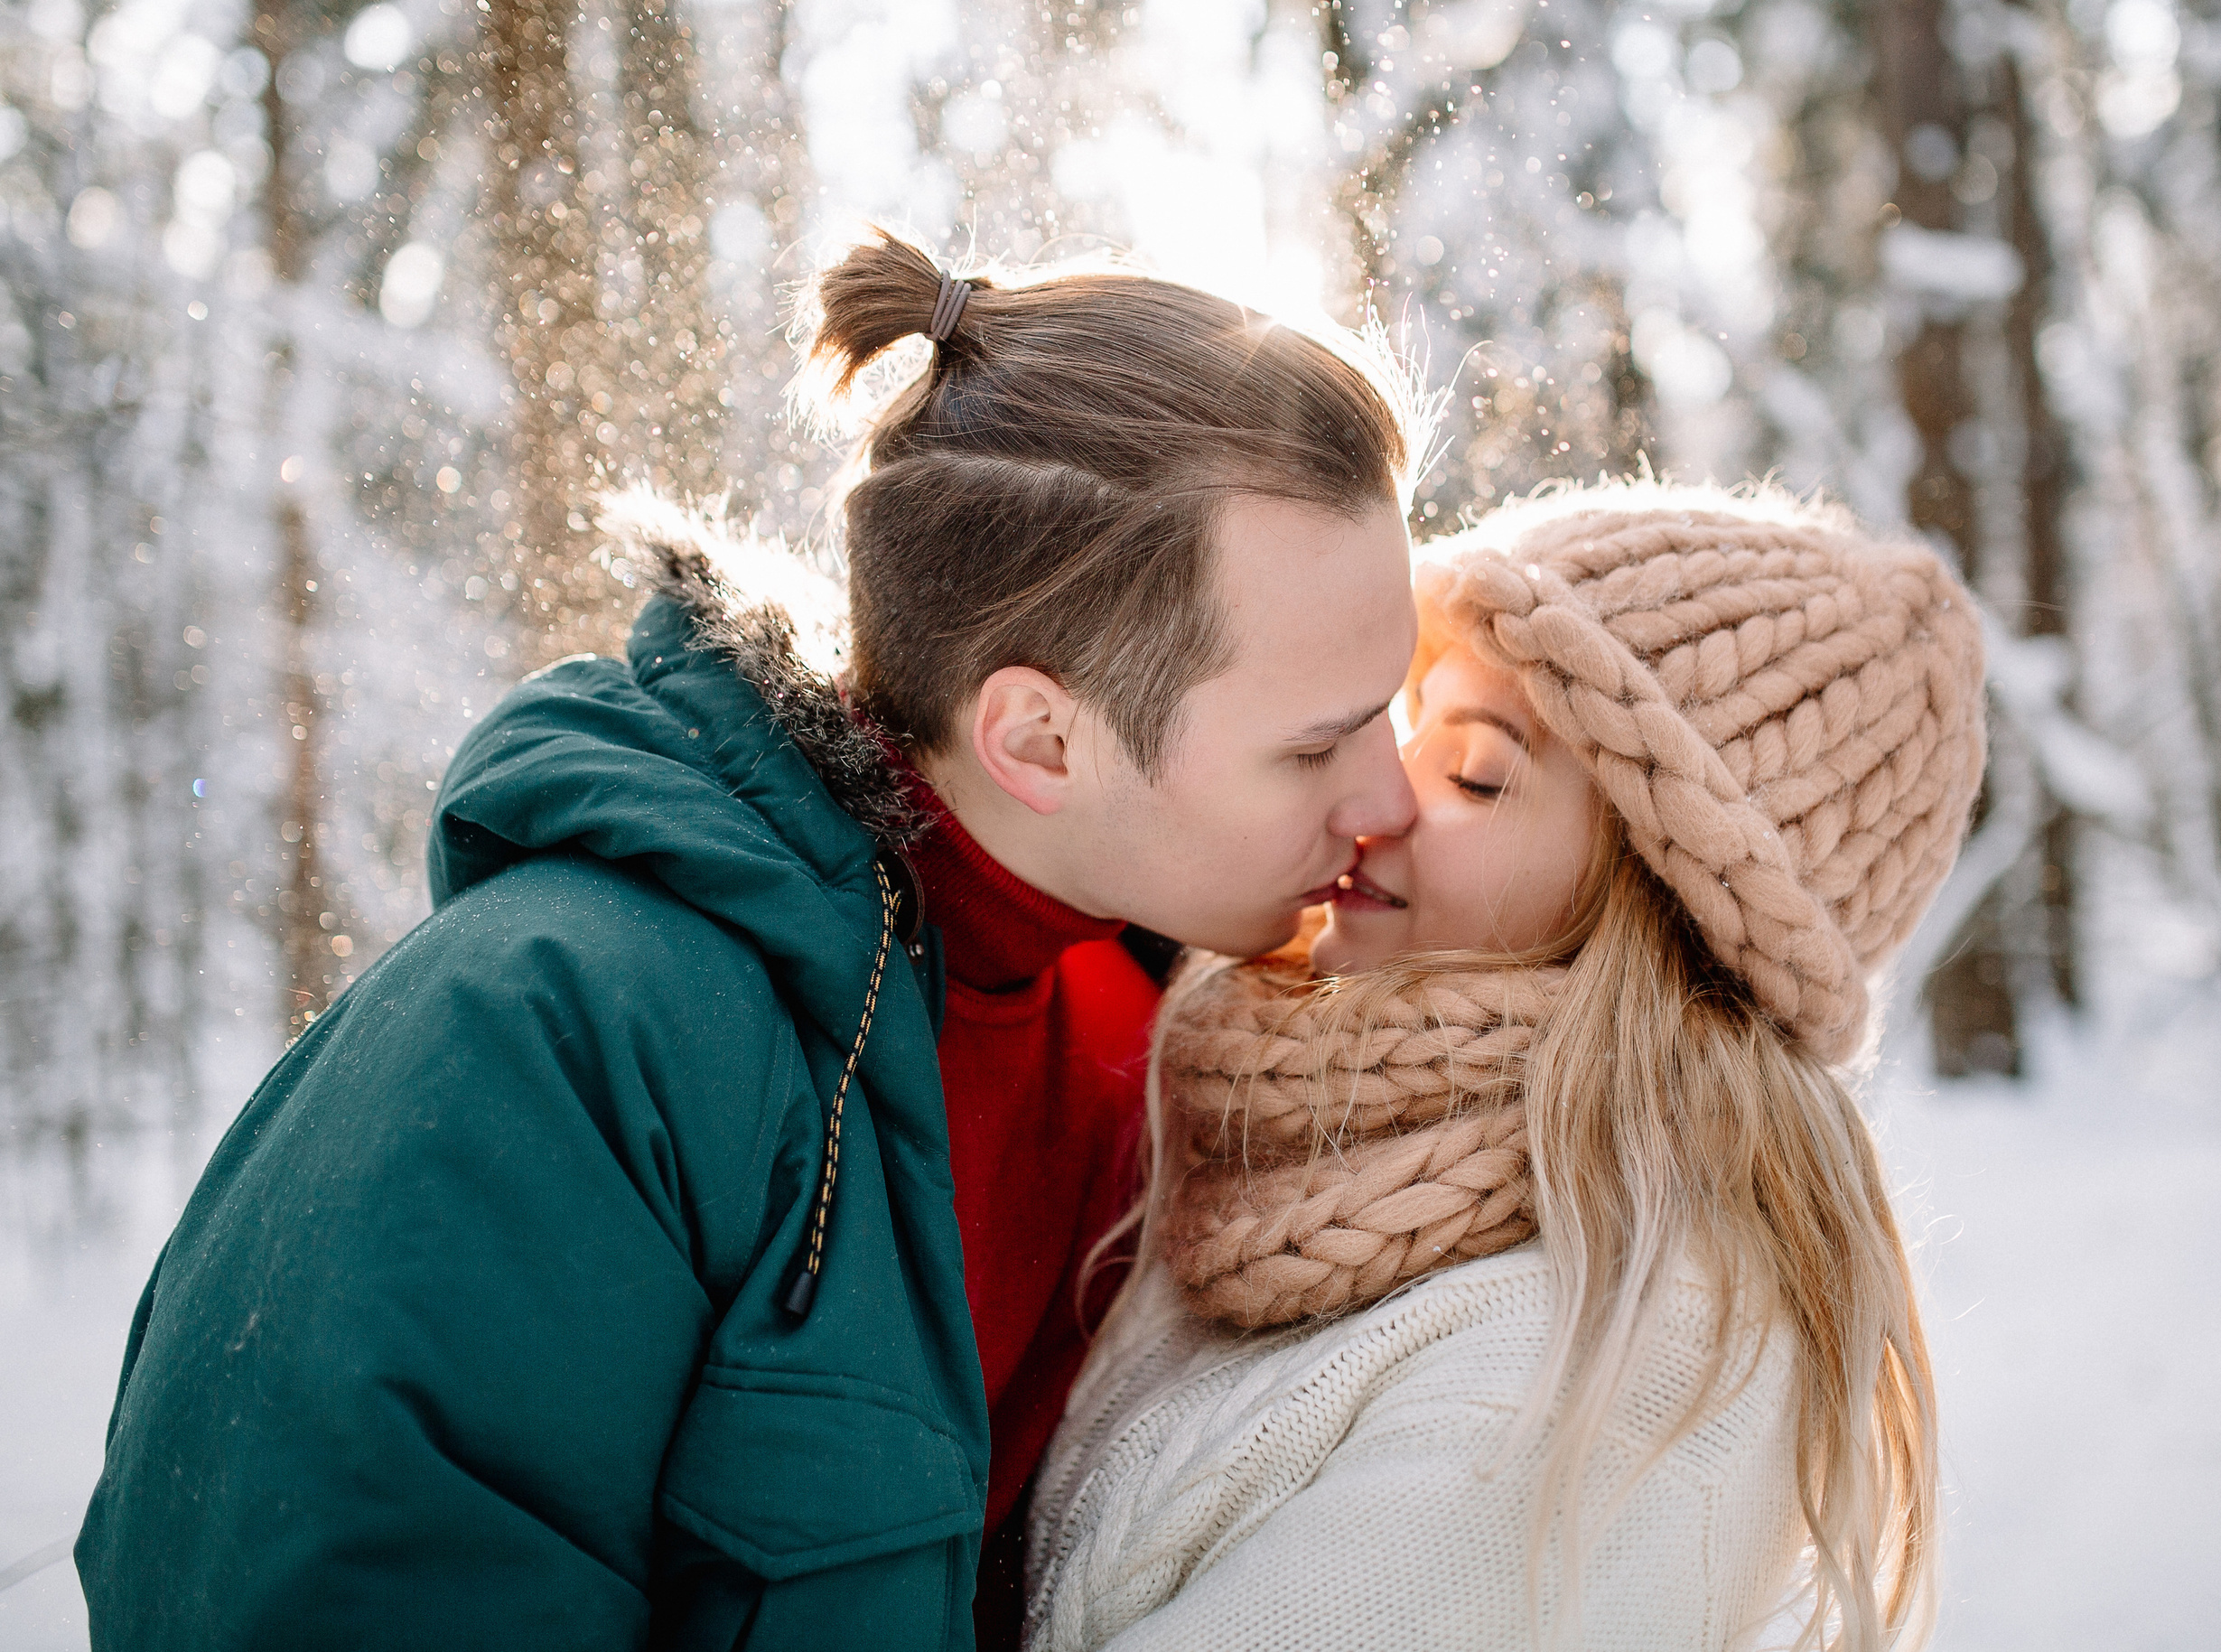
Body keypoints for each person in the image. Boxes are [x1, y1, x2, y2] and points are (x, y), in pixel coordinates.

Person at [75, 233, 1423, 1651]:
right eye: (1319, 744)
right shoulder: (551, 1046)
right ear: (1041, 737)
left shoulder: (1153, 1029)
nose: (1388, 798)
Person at [1025, 483, 1987, 1651]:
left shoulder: (1632, 1355)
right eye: (1409, 718)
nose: (1375, 793)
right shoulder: (1257, 1118)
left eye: (1476, 773)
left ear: (1651, 914)